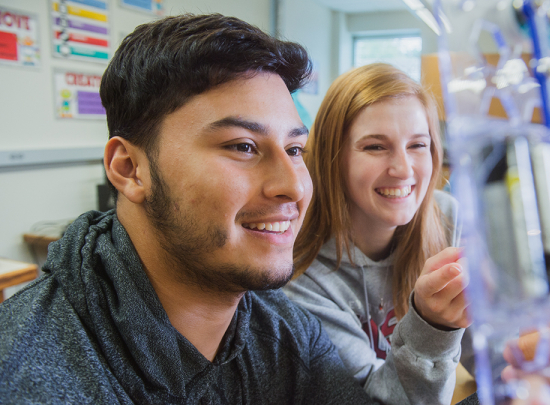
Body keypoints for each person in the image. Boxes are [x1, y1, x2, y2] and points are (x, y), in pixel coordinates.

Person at [0, 14, 379, 404]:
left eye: (295, 150)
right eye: (243, 146)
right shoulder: (27, 379)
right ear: (129, 168)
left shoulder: (287, 333)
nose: (293, 186)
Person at [284, 63, 470, 405]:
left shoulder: (446, 216)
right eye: (375, 147)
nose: (402, 169)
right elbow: (378, 400)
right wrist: (432, 326)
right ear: (332, 157)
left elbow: (492, 353)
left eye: (417, 145)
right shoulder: (298, 275)